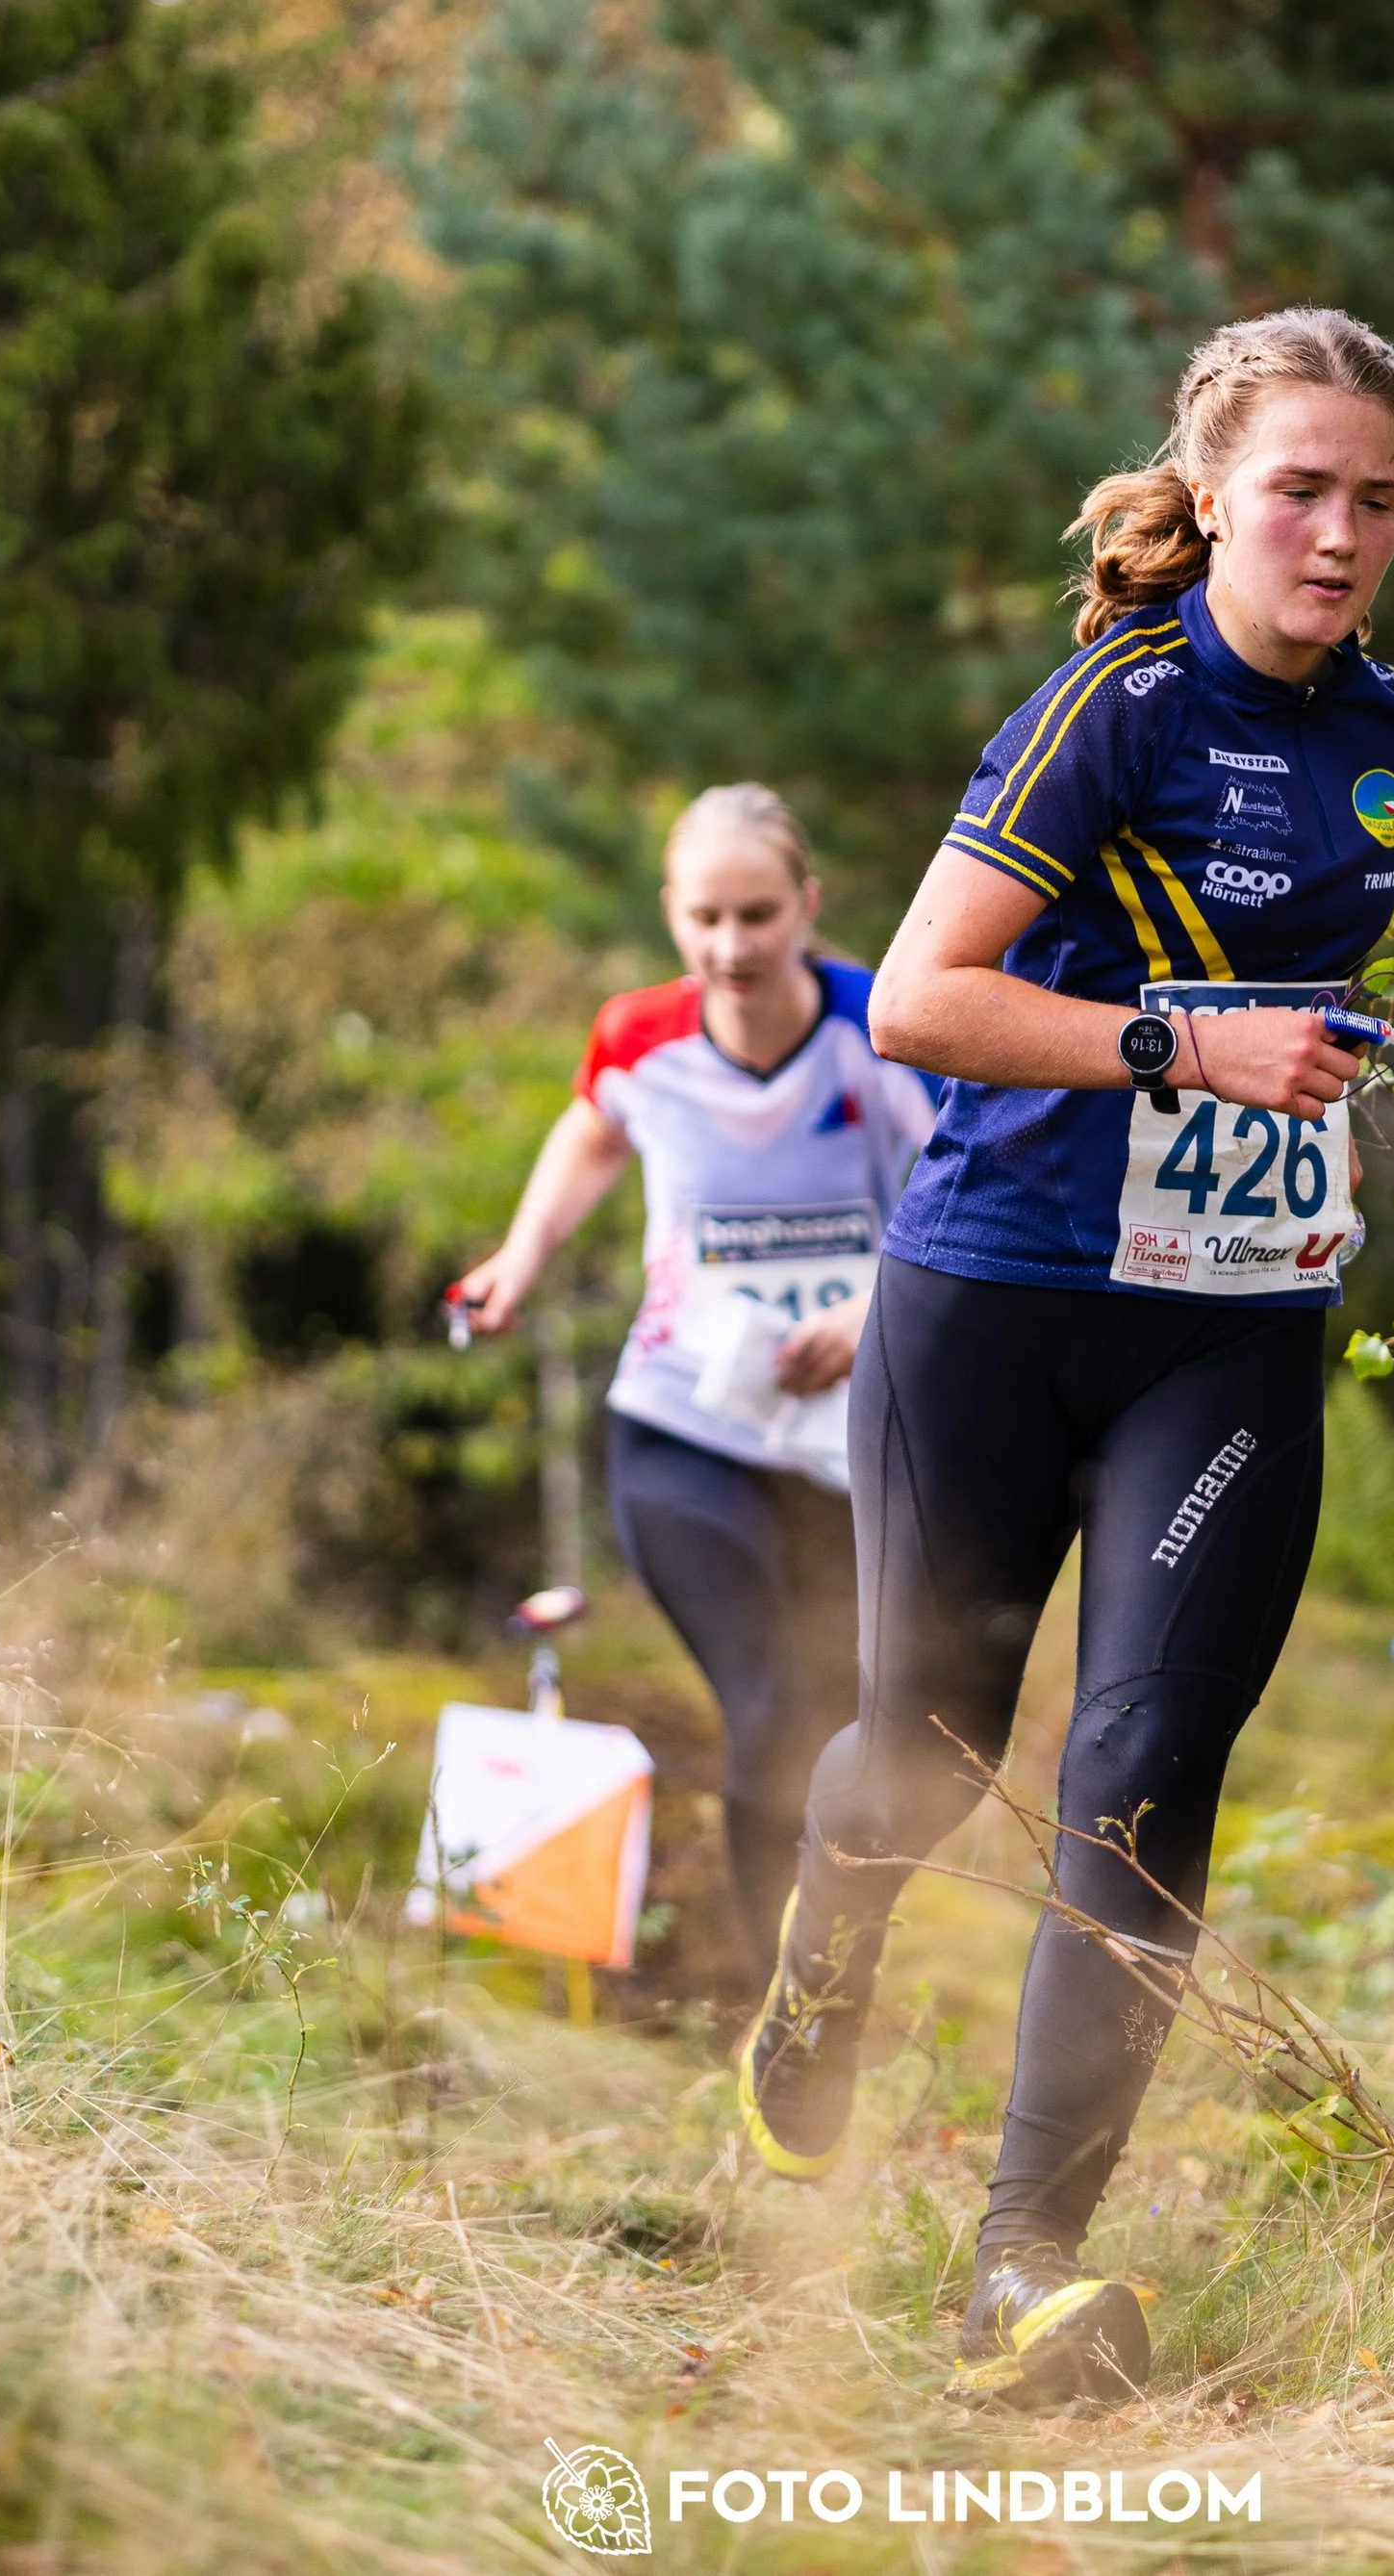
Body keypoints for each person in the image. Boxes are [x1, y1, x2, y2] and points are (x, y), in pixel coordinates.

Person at [736, 307, 1394, 2404]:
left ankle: (1018, 2269)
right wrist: (1191, 1037)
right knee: (927, 1754)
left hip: (1226, 1331)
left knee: (1139, 1782)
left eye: (1376, 500)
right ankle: (814, 1974)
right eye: (1301, 489)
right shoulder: (1109, 714)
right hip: (994, 1294)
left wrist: (1312, 1069)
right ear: (1216, 492)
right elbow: (921, 1001)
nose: (1338, 534)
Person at [451, 784, 938, 1985]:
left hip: (843, 1440)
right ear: (672, 914)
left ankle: (844, 1961)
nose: (732, 947)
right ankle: (789, 1990)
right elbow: (593, 1128)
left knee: (848, 1717)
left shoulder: (882, 1023)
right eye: (706, 916)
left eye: (759, 914)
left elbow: (963, 1187)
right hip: (684, 1425)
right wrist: (521, 1257)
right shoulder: (639, 1037)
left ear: (807, 907)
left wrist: (867, 1307)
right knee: (768, 1700)